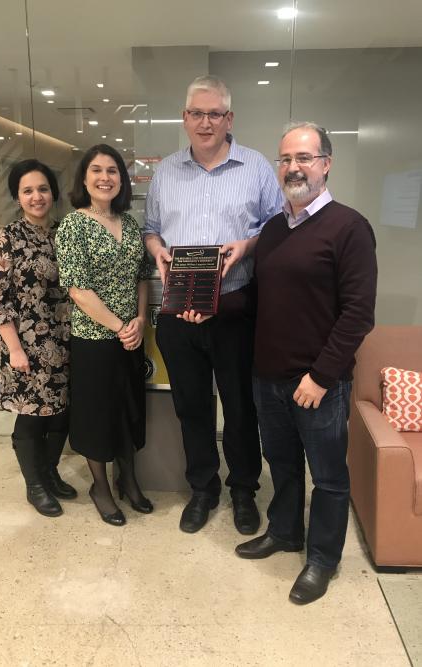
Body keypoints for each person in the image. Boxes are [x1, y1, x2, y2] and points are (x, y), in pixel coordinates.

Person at [235, 122, 378, 604]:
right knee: (283, 465)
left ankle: (322, 558)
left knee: (330, 477)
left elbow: (358, 313)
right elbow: (259, 300)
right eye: (285, 159)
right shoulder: (274, 229)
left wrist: (320, 376)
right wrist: (206, 307)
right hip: (269, 379)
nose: (293, 168)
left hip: (320, 383)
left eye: (304, 158)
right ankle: (285, 532)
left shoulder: (349, 227)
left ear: (326, 164)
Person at [143, 75, 283, 534]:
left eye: (215, 114)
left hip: (236, 309)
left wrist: (247, 245)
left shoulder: (257, 167)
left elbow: (279, 227)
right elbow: (151, 228)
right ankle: (203, 488)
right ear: (185, 118)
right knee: (192, 406)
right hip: (178, 310)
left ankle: (243, 489)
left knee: (242, 406)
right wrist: (157, 249)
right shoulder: (166, 172)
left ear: (230, 118)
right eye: (197, 113)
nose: (206, 122)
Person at [55, 144, 152, 527]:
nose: (105, 177)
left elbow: (141, 276)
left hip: (131, 337)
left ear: (121, 180)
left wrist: (140, 321)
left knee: (128, 409)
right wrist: (119, 327)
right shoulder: (73, 225)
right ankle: (101, 487)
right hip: (94, 339)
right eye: (96, 170)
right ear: (84, 178)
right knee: (97, 415)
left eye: (113, 171)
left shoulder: (129, 224)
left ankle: (128, 478)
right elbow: (77, 289)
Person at [0, 159, 74, 518]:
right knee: (32, 415)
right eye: (28, 191)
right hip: (25, 344)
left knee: (61, 412)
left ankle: (50, 472)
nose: (36, 196)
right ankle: (34, 484)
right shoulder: (7, 237)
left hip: (64, 339)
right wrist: (15, 350)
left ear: (52, 192)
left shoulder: (63, 233)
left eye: (42, 189)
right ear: (17, 196)